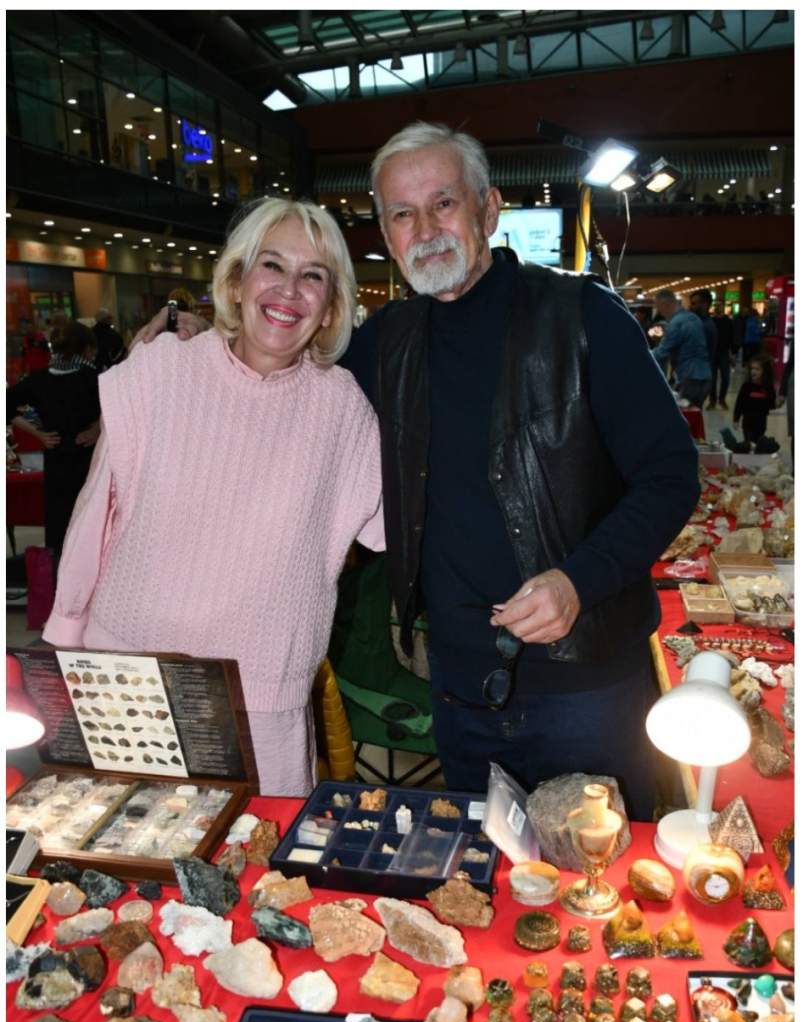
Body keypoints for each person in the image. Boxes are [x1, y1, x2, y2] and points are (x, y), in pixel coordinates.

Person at [135, 123, 699, 820]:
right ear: (385, 232)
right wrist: (203, 347)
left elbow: (670, 475)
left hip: (586, 683)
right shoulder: (382, 345)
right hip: (458, 687)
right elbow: (276, 376)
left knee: (599, 869)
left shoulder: (582, 318)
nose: (425, 229)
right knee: (484, 867)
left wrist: (578, 580)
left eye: (443, 203)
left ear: (488, 210)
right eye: (403, 213)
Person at [43, 198, 384, 796]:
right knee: (128, 847)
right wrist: (67, 637)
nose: (289, 290)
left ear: (331, 305)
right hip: (131, 677)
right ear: (236, 280)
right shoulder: (159, 373)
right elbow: (96, 512)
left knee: (260, 852)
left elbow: (401, 524)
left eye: (313, 275)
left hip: (263, 698)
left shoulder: (344, 408)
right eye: (271, 265)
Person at [7, 321, 101, 558]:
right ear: (87, 349)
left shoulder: (38, 380)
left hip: (56, 459)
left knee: (61, 529)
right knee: (93, 527)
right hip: (90, 461)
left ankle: (60, 575)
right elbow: (123, 407)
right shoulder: (94, 378)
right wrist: (98, 428)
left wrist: (38, 434)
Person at [652, 288, 712, 407]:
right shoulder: (694, 318)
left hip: (690, 378)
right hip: (705, 376)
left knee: (685, 416)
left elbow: (661, 353)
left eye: (659, 308)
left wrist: (640, 355)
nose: (660, 313)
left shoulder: (676, 323)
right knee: (695, 413)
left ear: (665, 305)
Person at [734, 356, 776, 449]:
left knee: (758, 445)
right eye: (752, 368)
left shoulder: (768, 387)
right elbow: (739, 403)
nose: (753, 371)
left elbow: (772, 405)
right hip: (748, 422)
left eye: (757, 369)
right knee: (749, 444)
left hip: (761, 422)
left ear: (764, 371)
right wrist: (736, 419)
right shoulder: (746, 386)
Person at [688, 288, 718, 408]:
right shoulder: (702, 323)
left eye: (694, 303)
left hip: (697, 379)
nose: (690, 307)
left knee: (690, 412)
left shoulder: (704, 327)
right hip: (698, 377)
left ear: (704, 305)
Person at [711, 304, 734, 409]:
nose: (718, 309)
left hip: (724, 352)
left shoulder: (728, 321)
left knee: (726, 378)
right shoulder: (711, 321)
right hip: (713, 352)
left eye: (720, 306)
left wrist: (732, 352)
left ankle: (722, 399)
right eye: (717, 307)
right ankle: (712, 400)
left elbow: (731, 336)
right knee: (712, 379)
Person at [92, 308, 127, 373]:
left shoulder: (90, 333)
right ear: (106, 319)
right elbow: (121, 352)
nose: (112, 319)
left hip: (94, 368)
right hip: (111, 369)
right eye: (110, 318)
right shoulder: (113, 335)